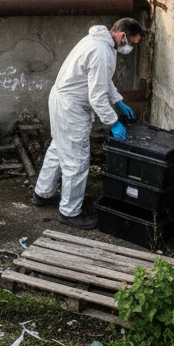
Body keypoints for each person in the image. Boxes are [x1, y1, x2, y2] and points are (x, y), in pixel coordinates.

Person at [31, 17, 144, 230]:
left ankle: (42, 194)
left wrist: (118, 100)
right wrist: (113, 122)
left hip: (63, 101)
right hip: (71, 107)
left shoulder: (100, 43)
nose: (130, 47)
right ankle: (70, 212)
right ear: (122, 36)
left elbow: (103, 79)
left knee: (58, 148)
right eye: (132, 43)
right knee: (77, 160)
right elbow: (97, 96)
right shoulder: (101, 51)